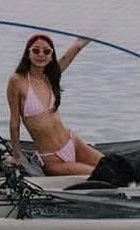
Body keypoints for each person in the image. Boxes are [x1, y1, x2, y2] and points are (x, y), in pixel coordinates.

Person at [6, 33, 103, 177]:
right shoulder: (17, 81)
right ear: (28, 53)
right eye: (36, 50)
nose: (41, 55)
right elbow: (15, 122)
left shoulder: (49, 77)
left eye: (46, 51)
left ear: (51, 55)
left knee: (112, 164)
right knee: (102, 174)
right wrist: (16, 156)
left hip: (72, 142)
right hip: (53, 160)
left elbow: (72, 52)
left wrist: (93, 32)